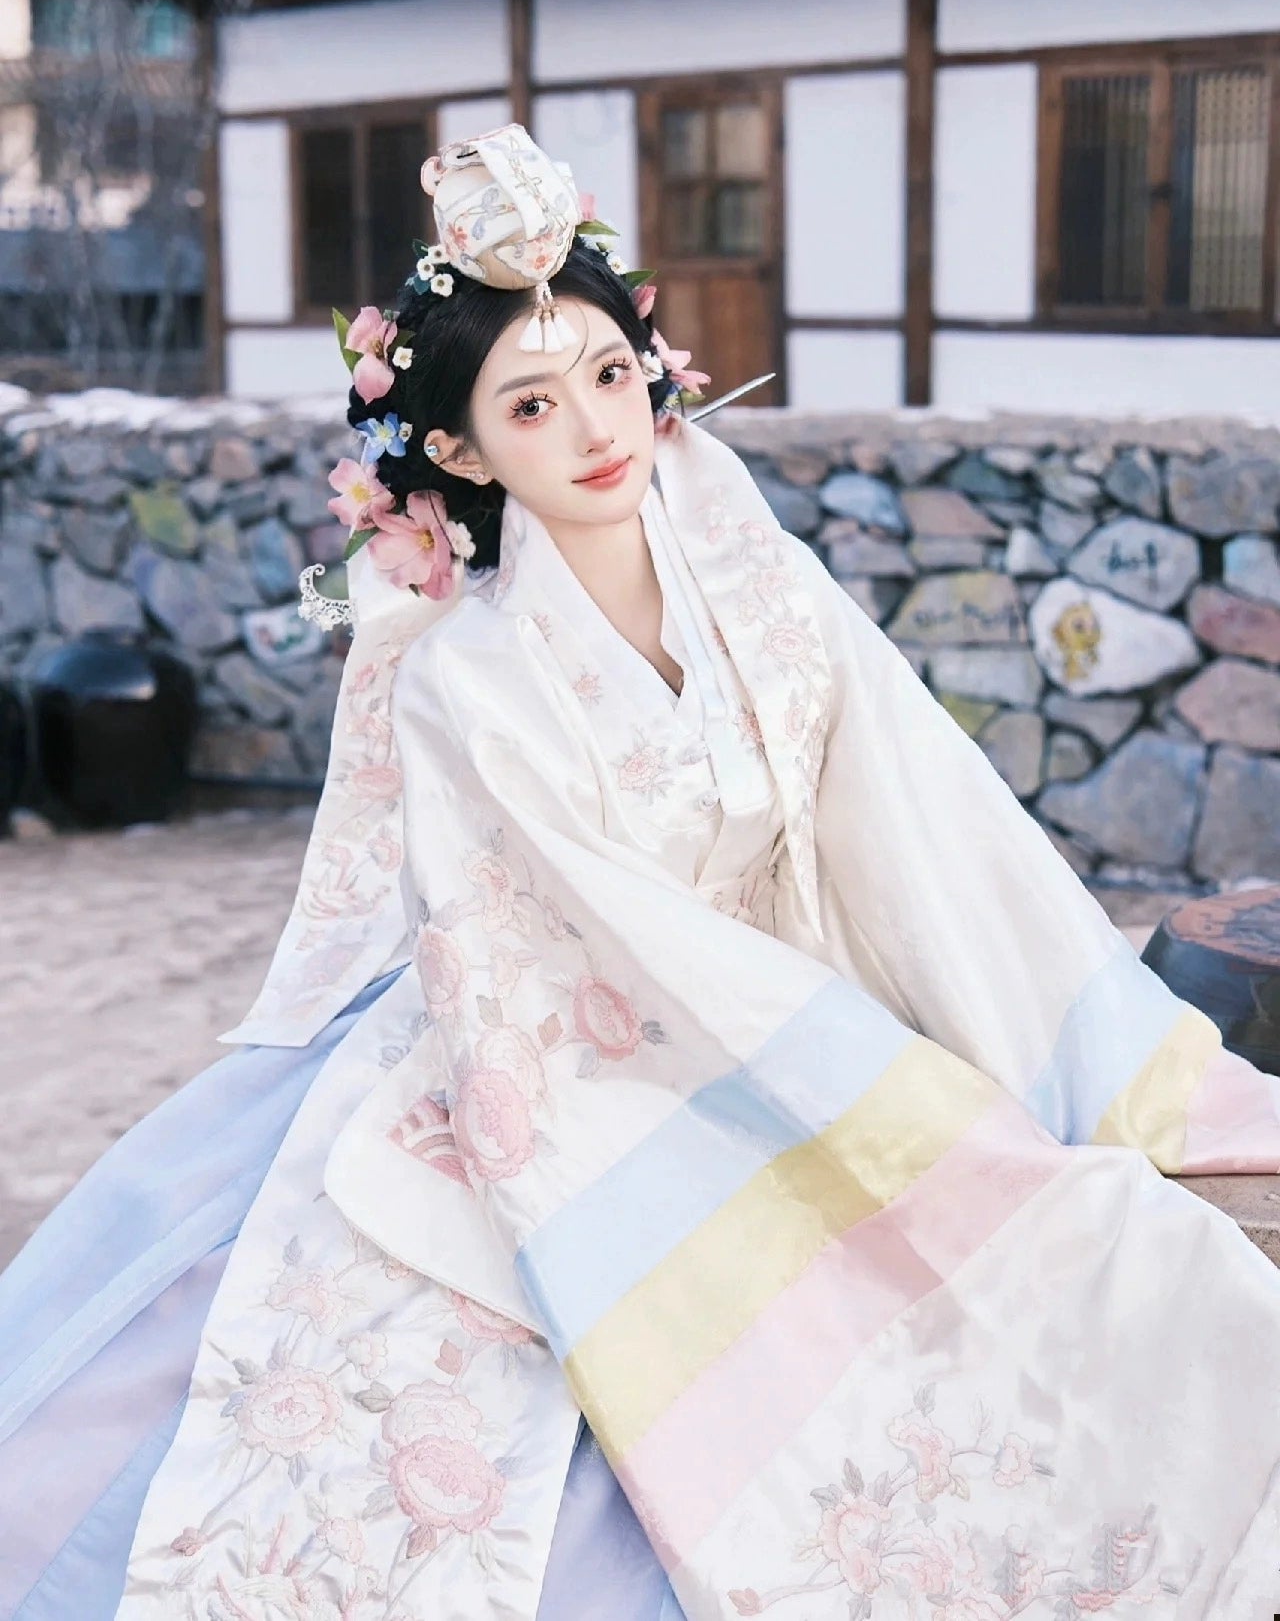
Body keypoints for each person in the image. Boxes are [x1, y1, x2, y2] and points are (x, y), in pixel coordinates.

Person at [1, 122, 1279, 1621]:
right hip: (560, 1044)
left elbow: (932, 816)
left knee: (1121, 1259)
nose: (600, 429)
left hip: (782, 998)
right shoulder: (462, 681)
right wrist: (876, 1094)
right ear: (466, 453)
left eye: (613, 376)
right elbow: (584, 957)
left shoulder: (765, 587)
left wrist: (1065, 1052)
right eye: (535, 405)